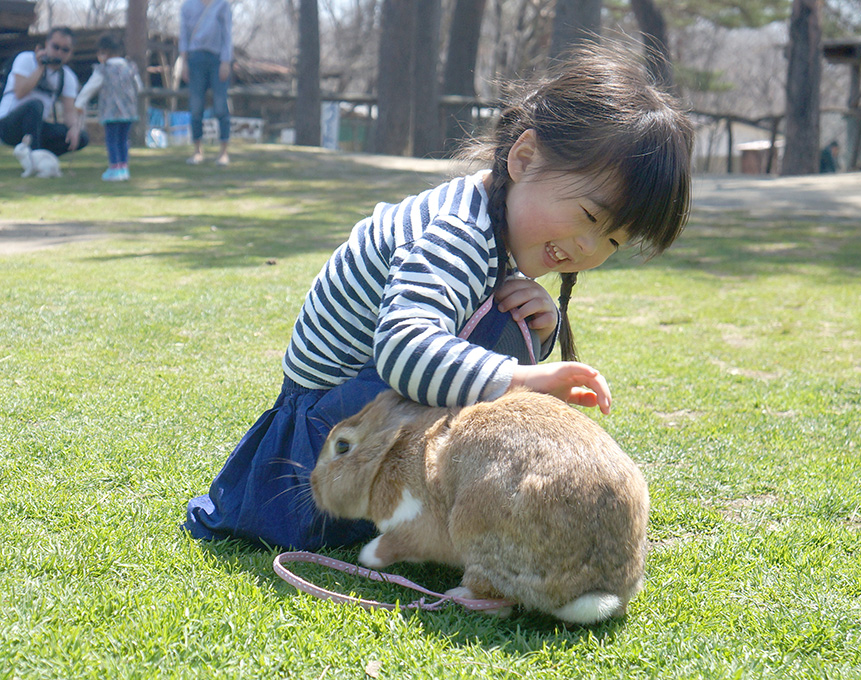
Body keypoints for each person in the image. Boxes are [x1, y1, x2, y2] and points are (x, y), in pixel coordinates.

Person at [183, 43, 694, 550]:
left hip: (362, 416)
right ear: (524, 157)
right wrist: (523, 376)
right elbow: (406, 349)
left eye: (612, 242)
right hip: (325, 442)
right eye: (588, 217)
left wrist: (535, 334)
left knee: (500, 335)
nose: (587, 247)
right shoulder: (460, 231)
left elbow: (454, 347)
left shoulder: (494, 223)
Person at [0, 27, 89, 157]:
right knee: (35, 105)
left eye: (65, 50)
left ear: (70, 53)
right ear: (46, 45)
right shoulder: (26, 59)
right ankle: (35, 158)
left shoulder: (68, 77)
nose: (59, 52)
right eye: (55, 47)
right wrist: (40, 67)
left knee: (81, 137)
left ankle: (43, 158)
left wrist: (74, 128)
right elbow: (20, 92)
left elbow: (69, 111)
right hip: (9, 124)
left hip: (36, 128)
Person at [74, 34, 143, 182]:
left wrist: (79, 103)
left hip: (111, 112)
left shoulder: (103, 69)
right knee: (124, 140)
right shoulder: (130, 67)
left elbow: (90, 87)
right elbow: (139, 87)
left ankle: (115, 168)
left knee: (112, 140)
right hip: (128, 111)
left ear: (104, 51)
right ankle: (124, 168)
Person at [179, 0, 233, 166]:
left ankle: (223, 152)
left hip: (217, 58)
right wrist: (184, 62)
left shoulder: (222, 5)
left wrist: (226, 61)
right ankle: (197, 151)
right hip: (195, 58)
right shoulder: (187, 6)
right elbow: (184, 36)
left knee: (220, 105)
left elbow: (227, 35)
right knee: (195, 107)